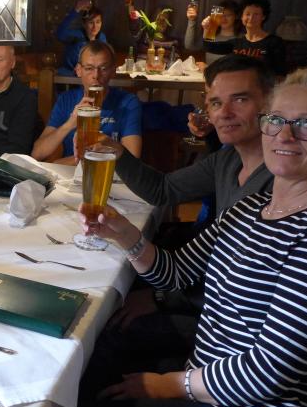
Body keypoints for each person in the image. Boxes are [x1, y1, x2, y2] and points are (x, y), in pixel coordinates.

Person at [67, 66, 307, 407]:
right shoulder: (252, 207)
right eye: (276, 120)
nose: (284, 134)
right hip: (208, 384)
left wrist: (171, 385)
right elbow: (175, 273)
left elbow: (268, 371)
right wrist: (123, 233)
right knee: (83, 377)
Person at [86, 54, 275, 381]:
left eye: (240, 100)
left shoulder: (280, 185)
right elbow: (163, 190)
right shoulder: (228, 160)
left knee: (105, 332)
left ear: (270, 104)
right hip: (202, 295)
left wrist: (161, 299)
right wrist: (117, 152)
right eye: (215, 103)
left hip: (227, 331)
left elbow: (244, 290)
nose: (224, 113)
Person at [32, 41, 141, 164]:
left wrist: (70, 160)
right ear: (78, 70)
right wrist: (71, 123)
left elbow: (132, 160)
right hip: (69, 173)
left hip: (106, 173)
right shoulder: (66, 100)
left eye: (103, 68)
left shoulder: (128, 103)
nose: (96, 75)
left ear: (112, 71)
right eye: (89, 68)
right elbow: (37, 153)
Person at [203, 0, 287, 75]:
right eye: (247, 14)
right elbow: (209, 47)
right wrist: (208, 28)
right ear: (242, 17)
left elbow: (281, 74)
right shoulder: (236, 43)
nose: (251, 18)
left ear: (263, 17)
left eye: (256, 14)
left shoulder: (274, 42)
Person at [55, 0, 107, 76]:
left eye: (98, 22)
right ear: (84, 24)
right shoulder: (76, 35)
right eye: (91, 22)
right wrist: (76, 10)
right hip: (70, 76)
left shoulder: (102, 38)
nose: (95, 26)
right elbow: (59, 33)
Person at [183, 0, 241, 65]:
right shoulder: (211, 34)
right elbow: (190, 46)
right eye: (221, 15)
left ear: (236, 16)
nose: (223, 18)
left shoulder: (241, 38)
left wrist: (207, 68)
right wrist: (191, 20)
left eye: (228, 15)